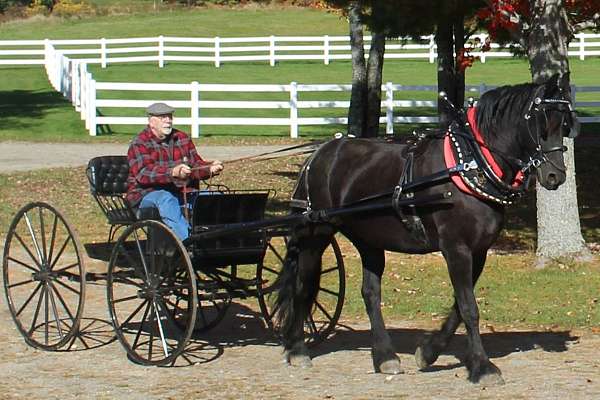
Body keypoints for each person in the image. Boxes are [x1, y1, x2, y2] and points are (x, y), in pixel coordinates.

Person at [126, 102, 223, 240]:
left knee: (213, 195)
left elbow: (195, 164)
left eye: (170, 117)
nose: (168, 120)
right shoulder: (139, 143)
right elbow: (144, 174)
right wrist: (172, 173)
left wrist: (209, 168)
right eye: (163, 117)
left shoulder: (182, 138)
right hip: (146, 195)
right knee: (166, 198)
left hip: (180, 192)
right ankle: (190, 242)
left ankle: (214, 239)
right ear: (151, 121)